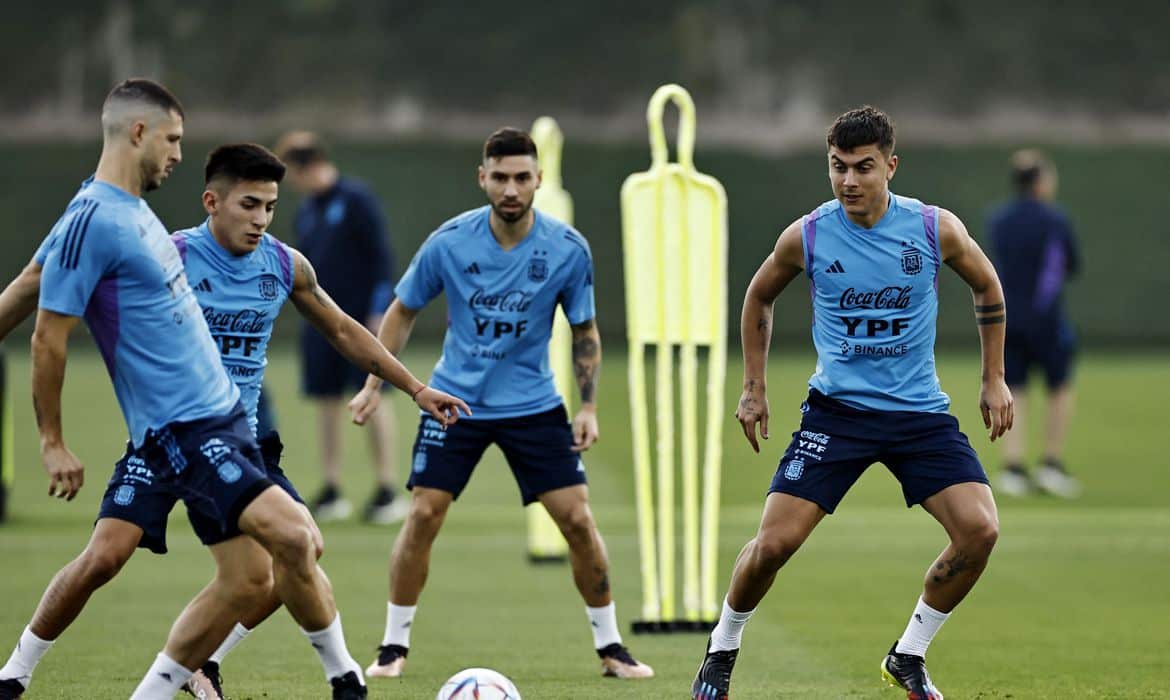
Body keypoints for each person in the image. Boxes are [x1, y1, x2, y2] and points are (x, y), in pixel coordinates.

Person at [0, 81, 449, 700]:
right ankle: (15, 673)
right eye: (249, 205)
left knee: (283, 560)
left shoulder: (277, 263)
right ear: (212, 202)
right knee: (107, 557)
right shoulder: (153, 242)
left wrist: (414, 387)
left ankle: (205, 665)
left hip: (234, 436)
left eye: (270, 206)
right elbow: (41, 311)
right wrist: (52, 439)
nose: (261, 219)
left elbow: (345, 329)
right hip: (172, 433)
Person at [690, 106, 1012, 700]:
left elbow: (987, 285)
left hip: (918, 416)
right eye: (838, 167)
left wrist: (993, 378)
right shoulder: (808, 235)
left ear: (891, 166)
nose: (849, 181)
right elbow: (759, 296)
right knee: (774, 545)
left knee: (980, 531)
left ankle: (908, 655)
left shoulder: (933, 229)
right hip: (837, 415)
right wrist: (754, 388)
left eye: (863, 167)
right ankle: (722, 648)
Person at [347, 127, 654, 681]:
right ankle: (393, 647)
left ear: (538, 179)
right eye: (501, 177)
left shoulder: (567, 249)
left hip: (534, 405)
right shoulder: (449, 242)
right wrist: (374, 385)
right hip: (453, 402)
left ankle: (612, 648)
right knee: (423, 515)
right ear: (482, 178)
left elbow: (584, 330)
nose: (511, 189)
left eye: (522, 178)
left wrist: (587, 407)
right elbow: (402, 310)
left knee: (577, 520)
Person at [275, 131, 403, 523]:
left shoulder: (356, 199)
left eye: (292, 174)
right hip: (319, 321)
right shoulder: (307, 210)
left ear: (309, 166)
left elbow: (382, 258)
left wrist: (378, 310)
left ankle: (387, 489)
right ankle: (332, 488)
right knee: (326, 400)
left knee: (372, 396)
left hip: (361, 321)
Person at [987, 150, 1081, 498]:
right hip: (1047, 320)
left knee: (1014, 389)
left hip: (1008, 319)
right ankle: (1050, 465)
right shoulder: (1055, 220)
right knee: (1059, 388)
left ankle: (1012, 467)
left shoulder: (999, 220)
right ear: (1040, 182)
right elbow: (1066, 265)